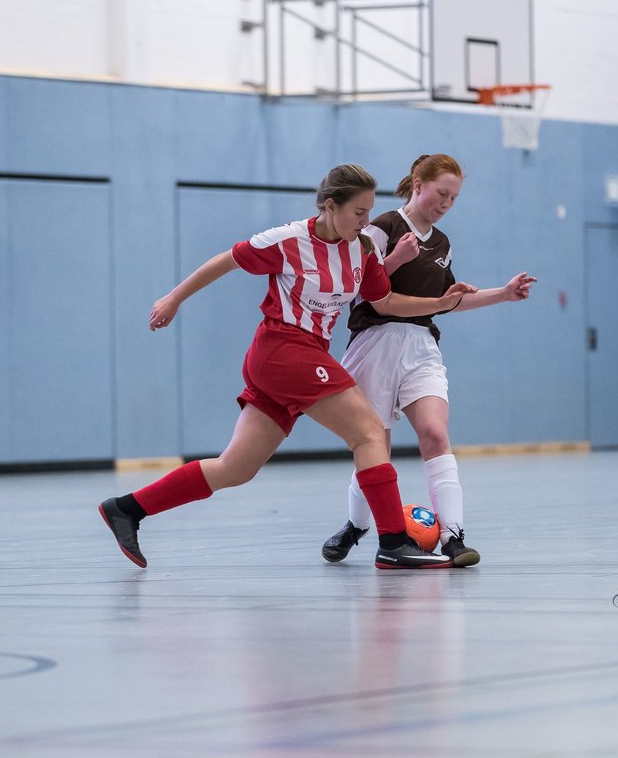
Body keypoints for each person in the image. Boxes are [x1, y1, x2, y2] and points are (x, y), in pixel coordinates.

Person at [98, 163, 478, 570]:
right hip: (284, 349)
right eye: (358, 213)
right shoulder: (288, 239)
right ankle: (392, 541)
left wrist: (440, 304)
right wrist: (174, 298)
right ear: (330, 207)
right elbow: (226, 261)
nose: (366, 222)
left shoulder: (362, 249)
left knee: (236, 467)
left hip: (297, 358)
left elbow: (383, 302)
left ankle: (127, 508)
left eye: (370, 212)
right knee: (369, 431)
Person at [321, 154, 536, 567]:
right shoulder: (383, 227)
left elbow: (446, 304)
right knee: (374, 446)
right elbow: (360, 289)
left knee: (436, 434)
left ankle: (453, 537)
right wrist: (396, 260)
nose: (446, 203)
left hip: (421, 345)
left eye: (454, 198)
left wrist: (503, 293)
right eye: (442, 193)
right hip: (375, 342)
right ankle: (356, 526)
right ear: (417, 183)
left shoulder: (442, 243)